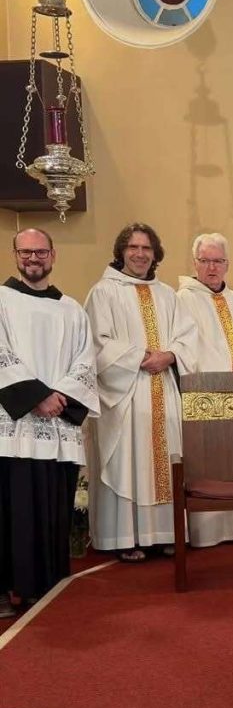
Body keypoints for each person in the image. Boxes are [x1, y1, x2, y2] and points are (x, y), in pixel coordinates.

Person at [85, 223, 197, 563]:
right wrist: (139, 357)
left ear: (155, 253)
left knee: (168, 458)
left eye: (146, 248)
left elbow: (188, 337)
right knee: (128, 460)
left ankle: (165, 533)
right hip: (126, 394)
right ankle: (126, 536)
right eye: (133, 247)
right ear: (121, 251)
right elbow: (97, 343)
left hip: (164, 388)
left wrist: (170, 355)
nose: (139, 254)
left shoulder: (167, 295)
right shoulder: (104, 292)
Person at [0, 229, 98, 618]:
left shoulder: (72, 310)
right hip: (13, 428)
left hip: (58, 427)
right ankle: (5, 588)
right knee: (10, 508)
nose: (33, 258)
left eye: (40, 252)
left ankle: (46, 587)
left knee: (52, 507)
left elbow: (86, 362)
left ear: (53, 256)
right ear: (15, 255)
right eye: (26, 252)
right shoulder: (1, 300)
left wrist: (59, 398)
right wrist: (36, 395)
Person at [177, 233, 233, 547]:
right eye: (205, 261)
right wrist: (219, 381)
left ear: (228, 264)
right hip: (208, 395)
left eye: (218, 261)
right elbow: (187, 348)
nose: (212, 267)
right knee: (211, 462)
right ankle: (210, 532)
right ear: (195, 264)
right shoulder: (183, 300)